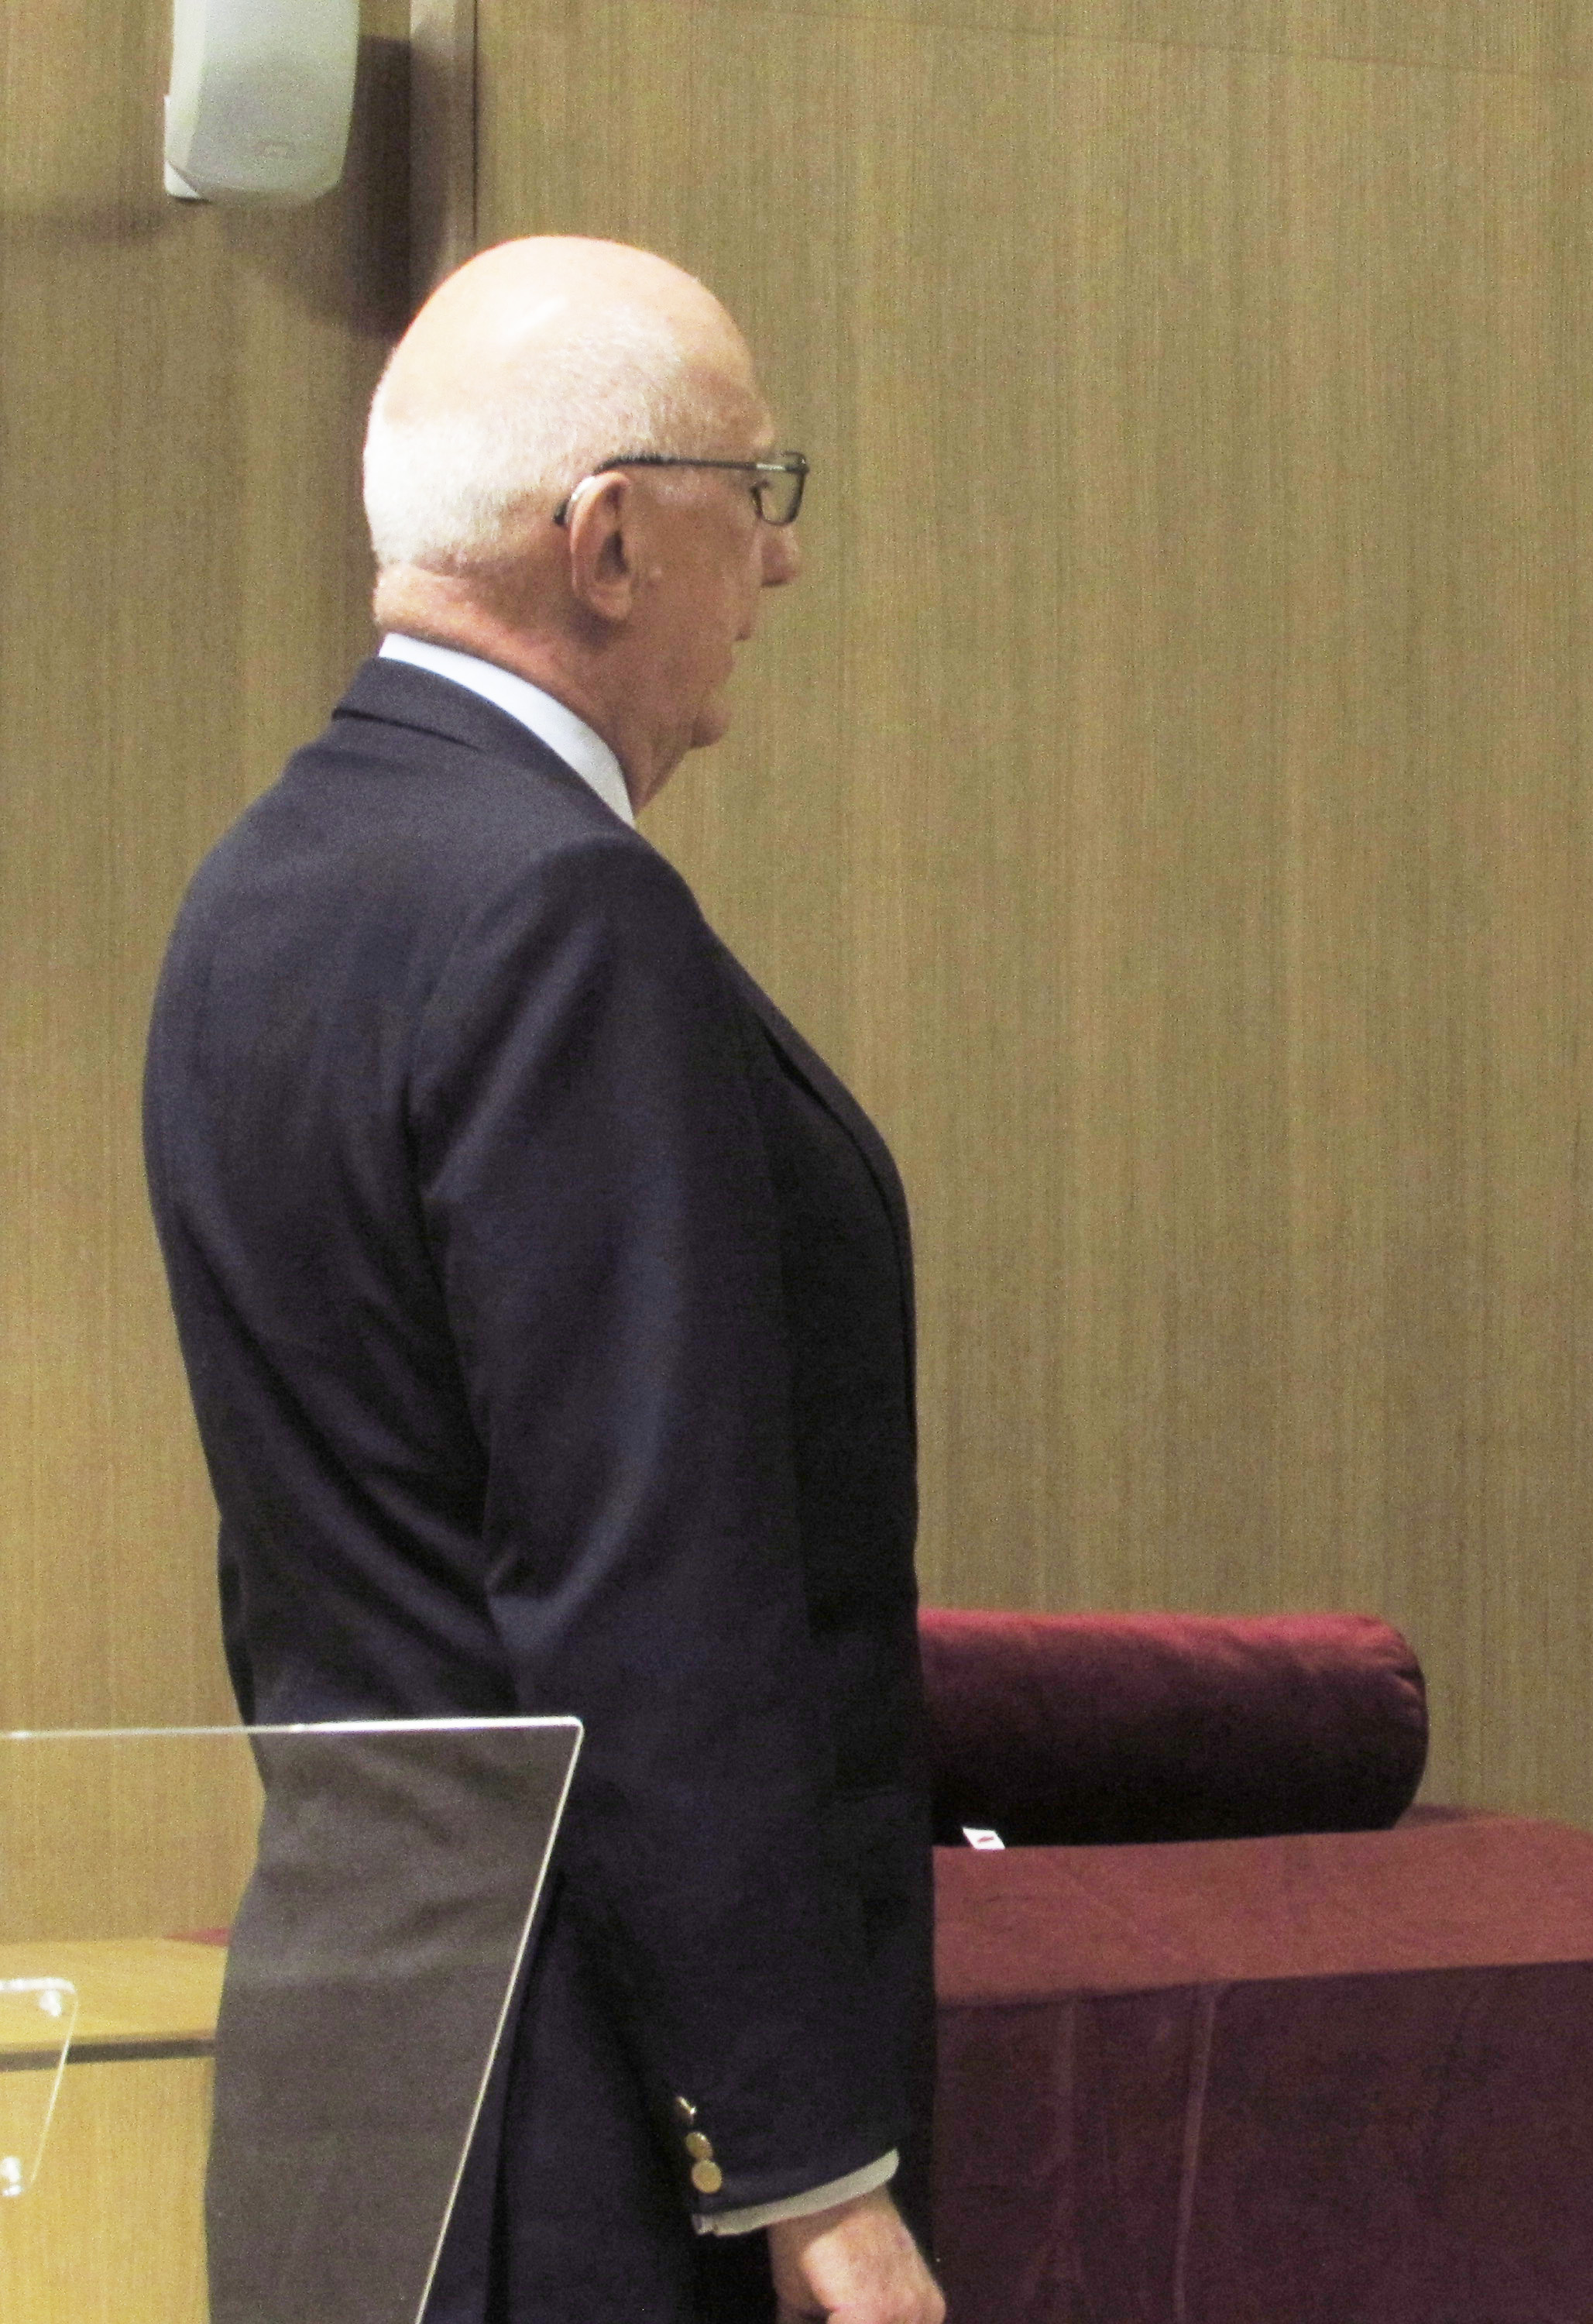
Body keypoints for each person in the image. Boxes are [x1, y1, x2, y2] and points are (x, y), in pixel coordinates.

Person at [144, 238, 946, 2324]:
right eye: (751, 494)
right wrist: (806, 2165)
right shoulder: (563, 912)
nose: (777, 564)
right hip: (586, 2126)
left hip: (352, 2052)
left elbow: (317, 1555)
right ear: (605, 541)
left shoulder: (255, 889)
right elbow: (641, 1589)